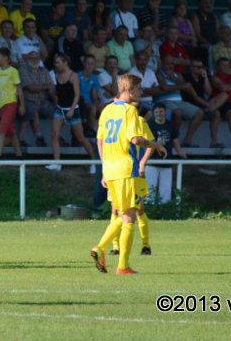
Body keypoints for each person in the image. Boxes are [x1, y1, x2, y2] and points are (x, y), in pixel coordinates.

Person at [90, 74, 167, 275]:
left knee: (122, 214)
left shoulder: (107, 110)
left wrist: (105, 167)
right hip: (126, 169)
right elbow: (135, 140)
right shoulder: (130, 110)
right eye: (139, 89)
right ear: (129, 90)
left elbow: (100, 141)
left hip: (111, 170)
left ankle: (100, 249)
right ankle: (122, 265)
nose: (141, 92)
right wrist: (156, 145)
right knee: (130, 217)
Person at [47, 55, 97, 171]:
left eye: (58, 62)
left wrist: (72, 109)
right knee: (54, 134)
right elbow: (57, 92)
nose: (56, 65)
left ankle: (95, 161)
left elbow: (77, 94)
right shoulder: (56, 74)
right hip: (60, 109)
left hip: (72, 109)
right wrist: (52, 90)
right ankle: (57, 163)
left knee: (80, 137)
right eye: (55, 63)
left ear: (65, 63)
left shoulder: (73, 76)